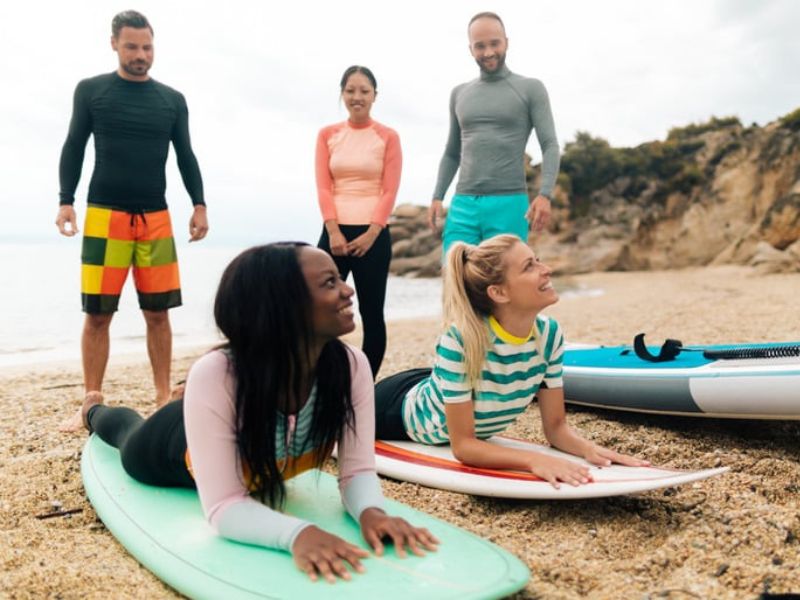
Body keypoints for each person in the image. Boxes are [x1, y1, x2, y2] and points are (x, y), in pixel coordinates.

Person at [81, 243, 438, 583]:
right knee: (127, 433)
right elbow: (223, 507)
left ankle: (187, 400)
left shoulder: (351, 366)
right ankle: (93, 410)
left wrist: (371, 512)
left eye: (339, 279)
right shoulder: (219, 372)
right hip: (173, 447)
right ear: (283, 306)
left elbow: (357, 470)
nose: (348, 290)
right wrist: (298, 534)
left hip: (241, 437)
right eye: (330, 283)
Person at [374, 235, 649, 488]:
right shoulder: (461, 340)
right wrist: (532, 460)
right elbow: (464, 446)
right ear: (499, 293)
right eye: (530, 266)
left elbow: (556, 429)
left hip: (439, 385)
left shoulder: (549, 336)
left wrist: (588, 449)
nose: (547, 269)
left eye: (537, 260)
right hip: (396, 410)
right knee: (335, 408)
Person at [56, 10, 209, 431]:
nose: (141, 55)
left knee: (158, 312)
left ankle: (162, 399)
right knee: (98, 313)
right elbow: (73, 146)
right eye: (132, 47)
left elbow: (186, 155)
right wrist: (65, 201)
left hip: (155, 216)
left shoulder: (171, 100)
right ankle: (90, 401)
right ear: (114, 45)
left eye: (147, 47)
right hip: (105, 214)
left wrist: (199, 204)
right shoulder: (91, 92)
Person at [428, 12, 560, 259]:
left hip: (509, 204)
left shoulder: (530, 88)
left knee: (506, 288)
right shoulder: (459, 93)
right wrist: (438, 196)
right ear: (471, 49)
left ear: (506, 42)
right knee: (456, 283)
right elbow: (451, 152)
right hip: (463, 205)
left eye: (494, 43)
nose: (488, 52)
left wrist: (545, 194)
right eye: (480, 46)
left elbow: (550, 144)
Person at [316, 65, 402, 378]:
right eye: (351, 90)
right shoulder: (327, 135)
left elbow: (390, 189)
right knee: (317, 309)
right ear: (342, 93)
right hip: (334, 234)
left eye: (364, 91)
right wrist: (333, 231)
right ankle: (322, 375)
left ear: (374, 96)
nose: (357, 97)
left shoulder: (388, 137)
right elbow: (324, 186)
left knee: (371, 314)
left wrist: (372, 233)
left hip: (373, 237)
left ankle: (364, 381)